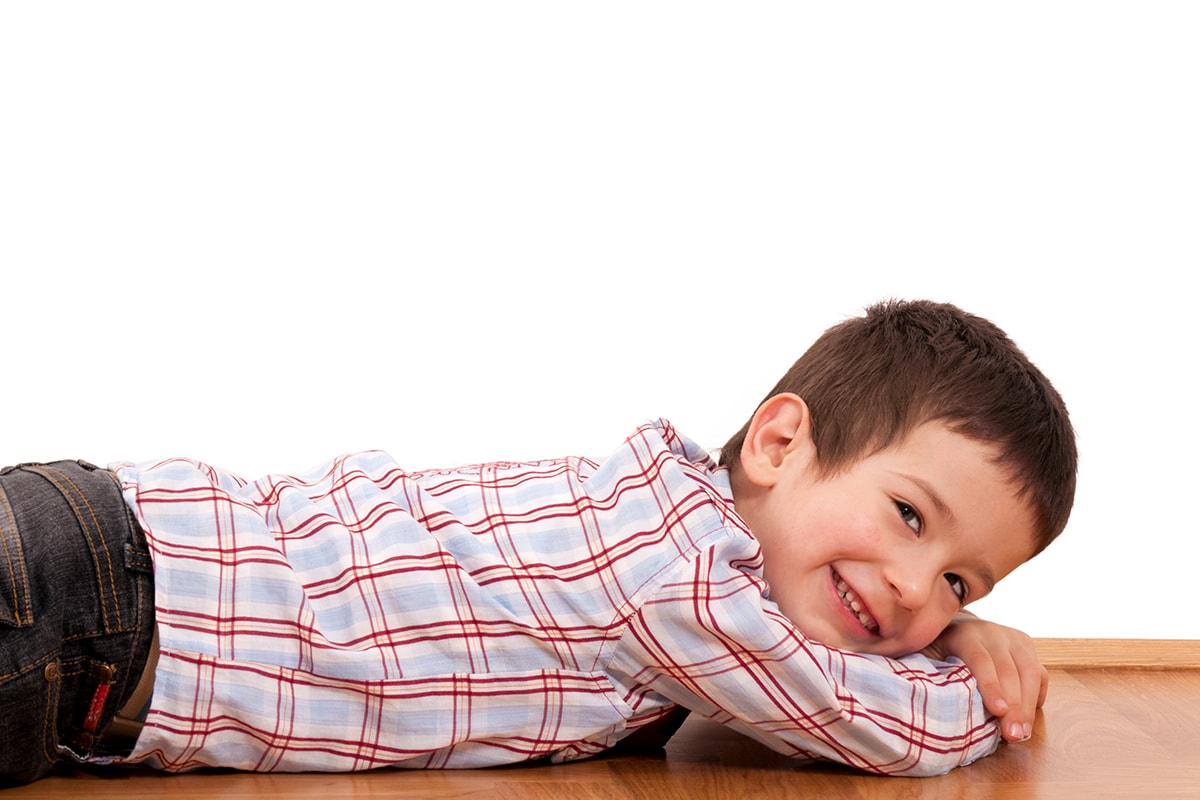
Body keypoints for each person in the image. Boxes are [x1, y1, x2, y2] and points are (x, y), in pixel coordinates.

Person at [0, 299, 1076, 783]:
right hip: (104, 615)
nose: (911, 590)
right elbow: (879, 728)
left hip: (105, 560)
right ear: (783, 441)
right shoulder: (683, 580)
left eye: (957, 576)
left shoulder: (664, 511)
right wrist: (973, 675)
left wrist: (957, 626)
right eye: (907, 515)